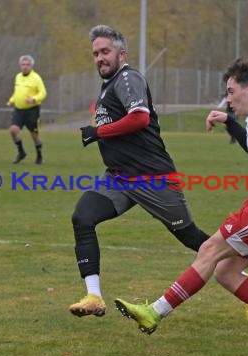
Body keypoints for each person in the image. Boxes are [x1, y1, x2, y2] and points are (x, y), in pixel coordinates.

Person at [114, 59, 248, 356]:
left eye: (230, 91)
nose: (227, 98)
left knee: (210, 250)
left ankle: (154, 312)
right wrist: (230, 123)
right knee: (226, 271)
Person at [68, 25, 210, 318]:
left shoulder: (128, 78)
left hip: (152, 178)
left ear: (122, 54)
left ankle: (247, 283)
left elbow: (140, 118)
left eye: (105, 51)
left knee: (193, 239)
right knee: (83, 217)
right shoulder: (109, 83)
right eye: (95, 53)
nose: (99, 58)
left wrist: (98, 131)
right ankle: (94, 296)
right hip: (119, 178)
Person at [7, 55, 47, 165]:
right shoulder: (18, 77)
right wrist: (12, 100)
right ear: (20, 66)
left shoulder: (36, 78)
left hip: (32, 110)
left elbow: (43, 93)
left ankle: (39, 155)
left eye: (27, 65)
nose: (25, 67)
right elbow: (17, 92)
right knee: (13, 130)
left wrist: (34, 99)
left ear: (31, 66)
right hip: (18, 110)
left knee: (34, 135)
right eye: (23, 64)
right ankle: (21, 152)